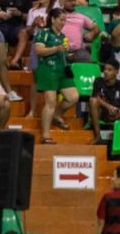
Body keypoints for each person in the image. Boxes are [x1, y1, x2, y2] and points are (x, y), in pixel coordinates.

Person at [34, 8, 78, 144]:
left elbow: (62, 53)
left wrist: (67, 53)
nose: (63, 23)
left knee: (73, 97)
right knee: (50, 102)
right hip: (47, 69)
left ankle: (57, 115)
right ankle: (45, 135)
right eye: (61, 20)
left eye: (65, 20)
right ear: (53, 19)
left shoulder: (62, 37)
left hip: (62, 70)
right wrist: (56, 49)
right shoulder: (44, 33)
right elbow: (39, 50)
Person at [89, 58, 120, 143]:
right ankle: (98, 136)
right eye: (105, 69)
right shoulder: (98, 81)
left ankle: (119, 143)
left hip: (115, 114)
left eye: (109, 70)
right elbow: (96, 97)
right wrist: (109, 107)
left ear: (116, 72)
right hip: (101, 112)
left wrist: (118, 111)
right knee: (92, 100)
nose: (105, 72)